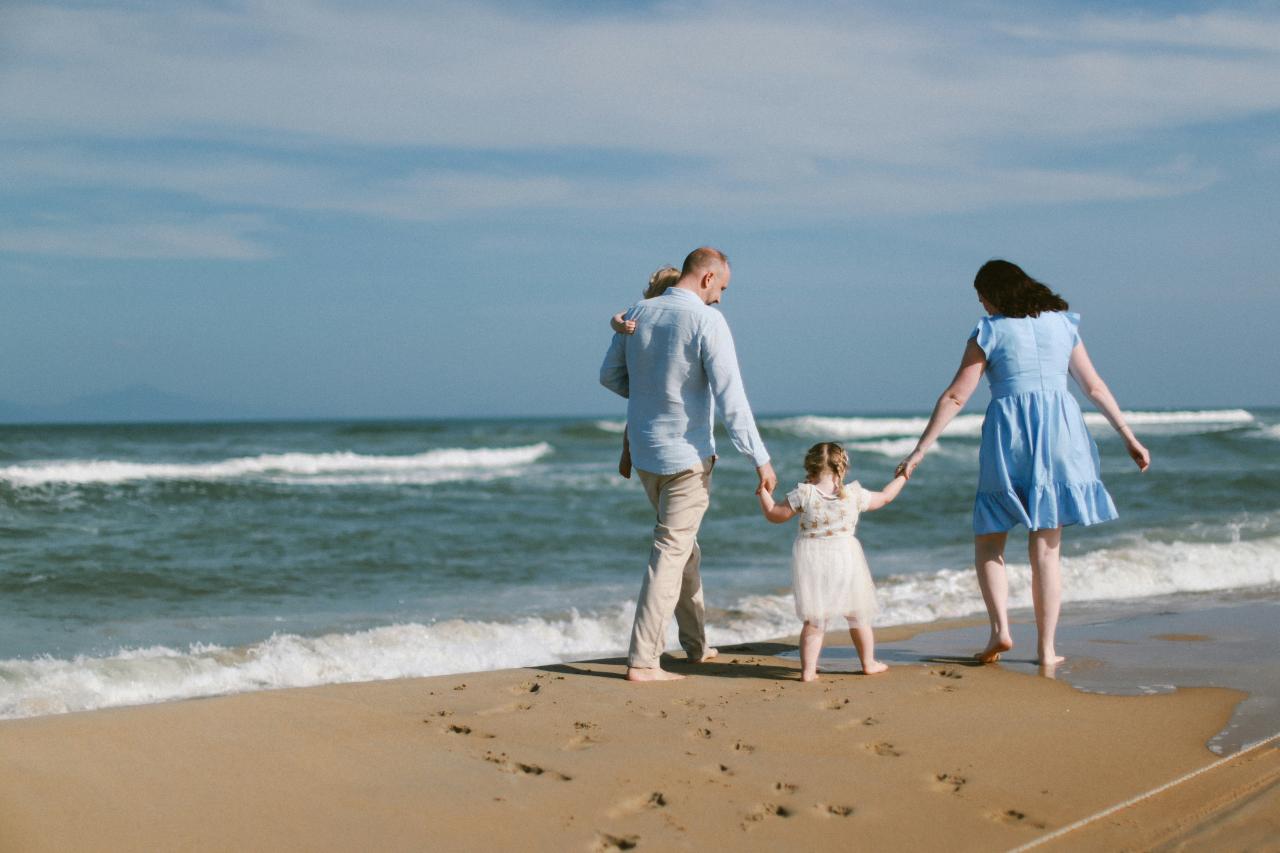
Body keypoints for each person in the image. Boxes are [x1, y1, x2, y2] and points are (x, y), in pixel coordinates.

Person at [896, 259, 1150, 667]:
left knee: (989, 539)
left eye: (981, 296)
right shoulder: (1064, 325)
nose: (981, 303)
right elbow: (1094, 386)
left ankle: (1000, 630)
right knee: (1047, 551)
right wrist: (1129, 437)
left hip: (1010, 437)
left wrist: (919, 450)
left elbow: (956, 397)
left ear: (994, 294)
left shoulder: (989, 331)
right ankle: (1047, 649)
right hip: (1061, 437)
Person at [600, 247, 777, 682]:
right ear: (708, 276)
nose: (720, 298)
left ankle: (696, 645)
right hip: (686, 456)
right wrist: (760, 457)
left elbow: (609, 375)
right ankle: (643, 660)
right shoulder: (706, 320)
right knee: (670, 550)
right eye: (722, 288)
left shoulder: (636, 312)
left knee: (683, 548)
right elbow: (731, 397)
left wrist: (649, 395)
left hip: (646, 454)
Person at [759, 442, 905, 682]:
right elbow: (886, 498)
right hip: (846, 558)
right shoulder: (854, 494)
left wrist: (762, 491)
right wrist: (902, 477)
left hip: (812, 559)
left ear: (810, 467)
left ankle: (808, 671)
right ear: (842, 467)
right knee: (858, 615)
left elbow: (775, 515)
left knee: (816, 618)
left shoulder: (803, 493)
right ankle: (868, 663)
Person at [609, 266, 681, 479]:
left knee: (636, 416)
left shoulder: (658, 311)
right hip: (654, 376)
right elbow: (616, 317)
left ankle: (627, 454)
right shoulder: (641, 311)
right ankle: (626, 455)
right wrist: (621, 326)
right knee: (634, 419)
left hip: (649, 376)